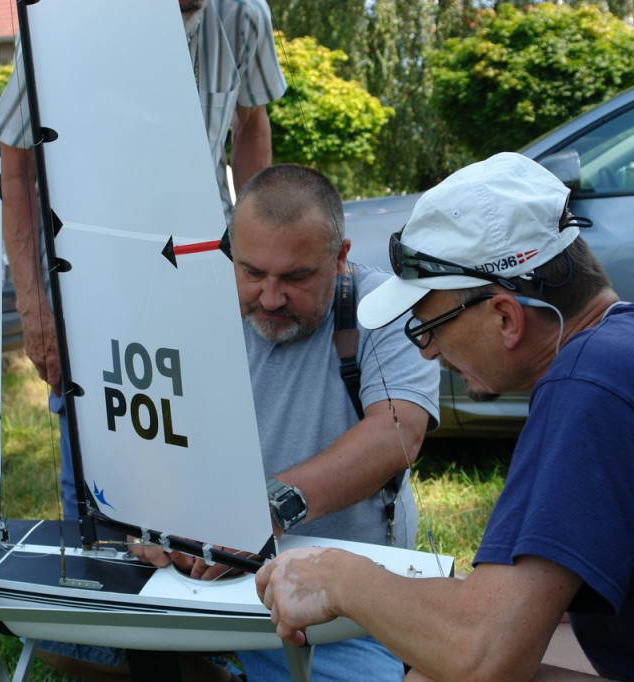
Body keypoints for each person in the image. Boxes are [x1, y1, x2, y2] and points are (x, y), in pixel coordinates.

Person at [254, 152, 634, 681]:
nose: (428, 351)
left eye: (428, 327)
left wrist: (335, 575)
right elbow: (522, 612)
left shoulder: (595, 385)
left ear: (505, 316)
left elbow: (483, 655)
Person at [0, 2, 285, 679]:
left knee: (201, 464)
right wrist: (36, 309)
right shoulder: (64, 16)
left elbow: (251, 124)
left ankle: (205, 644)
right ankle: (103, 642)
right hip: (92, 278)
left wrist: (253, 255)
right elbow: (15, 164)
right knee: (100, 479)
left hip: (195, 270)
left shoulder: (243, 13)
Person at [130, 163, 441, 681]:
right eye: (252, 272)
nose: (270, 298)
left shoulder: (384, 309)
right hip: (199, 585)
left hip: (330, 604)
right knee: (47, 632)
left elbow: (397, 432)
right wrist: (151, 515)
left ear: (340, 259)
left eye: (296, 278)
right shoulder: (194, 315)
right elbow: (155, 435)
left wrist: (265, 512)